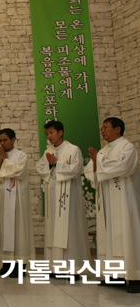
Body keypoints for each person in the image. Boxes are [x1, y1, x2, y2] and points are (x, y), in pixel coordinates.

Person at [84, 117, 140, 293]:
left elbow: (124, 167)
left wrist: (98, 160)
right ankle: (116, 275)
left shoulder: (127, 147)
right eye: (101, 128)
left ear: (118, 129)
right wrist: (95, 162)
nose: (102, 131)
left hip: (124, 199)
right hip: (107, 198)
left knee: (127, 234)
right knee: (109, 235)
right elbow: (89, 172)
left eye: (106, 127)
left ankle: (135, 276)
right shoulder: (104, 150)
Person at [36, 121, 90, 276]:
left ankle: (73, 269)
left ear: (60, 132)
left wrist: (56, 164)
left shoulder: (73, 149)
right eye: (47, 134)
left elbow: (77, 169)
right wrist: (50, 166)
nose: (49, 136)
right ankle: (56, 268)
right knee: (53, 228)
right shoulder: (49, 150)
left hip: (69, 196)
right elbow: (40, 167)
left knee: (70, 229)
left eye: (51, 132)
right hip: (53, 194)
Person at [0, 128, 35, 278]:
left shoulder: (21, 156)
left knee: (18, 230)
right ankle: (6, 264)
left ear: (13, 140)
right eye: (0, 140)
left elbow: (17, 172)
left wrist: (4, 162)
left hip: (17, 200)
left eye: (5, 140)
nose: (2, 143)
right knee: (4, 230)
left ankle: (20, 266)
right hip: (3, 199)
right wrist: (1, 161)